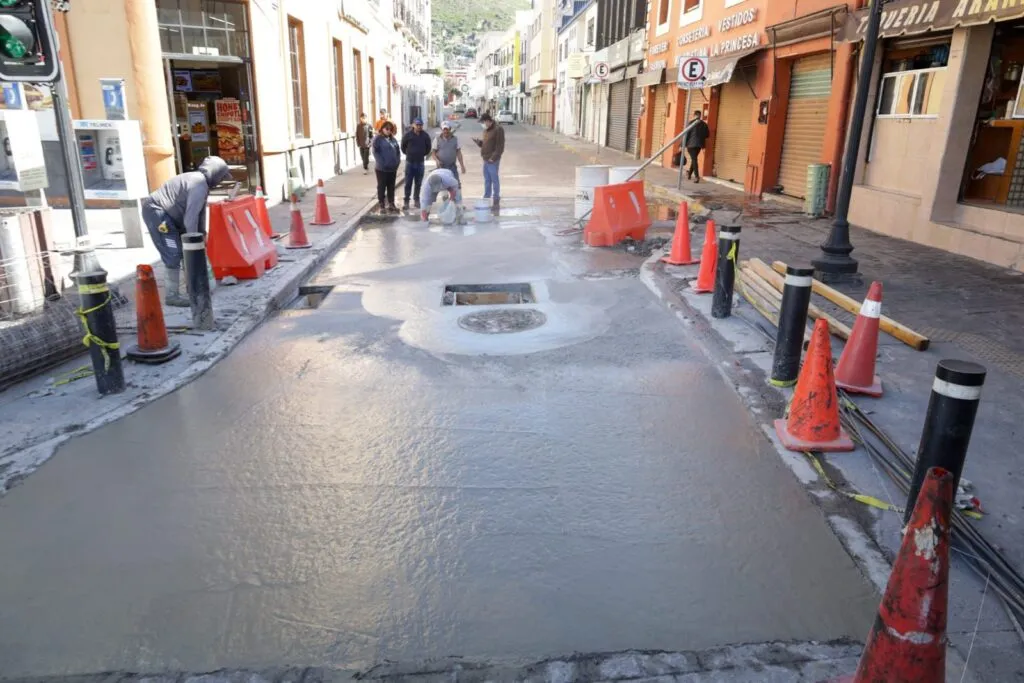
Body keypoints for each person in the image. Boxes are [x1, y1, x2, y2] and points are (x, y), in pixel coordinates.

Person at [141, 156, 231, 307]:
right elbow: (190, 218)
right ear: (215, 173)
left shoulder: (201, 183)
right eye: (221, 177)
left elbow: (200, 213)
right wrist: (194, 243)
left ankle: (193, 287)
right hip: (158, 213)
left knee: (185, 251)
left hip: (169, 214)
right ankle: (172, 296)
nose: (220, 181)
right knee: (174, 253)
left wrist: (202, 234)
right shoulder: (198, 184)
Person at [472, 111, 505, 213]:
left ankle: (496, 199)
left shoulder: (498, 129)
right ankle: (486, 198)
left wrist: (493, 158)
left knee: (494, 180)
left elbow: (500, 146)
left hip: (492, 160)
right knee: (487, 180)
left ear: (488, 121)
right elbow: (486, 144)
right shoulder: (486, 130)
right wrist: (479, 142)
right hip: (485, 159)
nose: (483, 125)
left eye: (483, 122)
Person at [400, 117, 432, 210]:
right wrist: (409, 153)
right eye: (417, 125)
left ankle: (416, 200)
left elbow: (428, 148)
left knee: (418, 183)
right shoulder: (408, 135)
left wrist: (422, 154)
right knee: (408, 183)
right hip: (410, 162)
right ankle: (406, 201)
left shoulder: (425, 136)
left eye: (420, 125)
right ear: (413, 125)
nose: (419, 126)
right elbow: (403, 147)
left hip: (420, 162)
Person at [371, 120, 401, 213]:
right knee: (382, 187)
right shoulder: (378, 139)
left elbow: (398, 151)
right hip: (382, 169)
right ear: (382, 129)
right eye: (387, 129)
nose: (389, 131)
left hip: (392, 168)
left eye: (390, 129)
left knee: (391, 187)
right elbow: (375, 152)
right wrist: (382, 163)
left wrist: (397, 162)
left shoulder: (393, 139)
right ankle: (382, 205)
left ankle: (391, 204)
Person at [682, 110, 710, 183]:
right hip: (699, 145)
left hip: (691, 145)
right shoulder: (704, 124)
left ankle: (697, 177)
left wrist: (682, 145)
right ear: (700, 116)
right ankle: (689, 174)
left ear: (694, 115)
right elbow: (707, 135)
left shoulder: (691, 123)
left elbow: (686, 135)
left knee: (694, 159)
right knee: (694, 159)